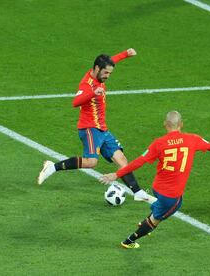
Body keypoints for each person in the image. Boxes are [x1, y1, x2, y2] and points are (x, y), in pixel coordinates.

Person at [100, 111, 210, 249]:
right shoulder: (193, 139)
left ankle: (148, 219)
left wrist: (117, 174)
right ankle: (129, 241)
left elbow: (139, 161)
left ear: (165, 124)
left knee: (160, 207)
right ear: (181, 124)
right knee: (158, 217)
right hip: (172, 196)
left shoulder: (158, 144)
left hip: (157, 188)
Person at [37, 48, 149, 201]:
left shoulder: (101, 70)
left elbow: (111, 61)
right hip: (89, 128)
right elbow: (75, 102)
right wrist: (92, 93)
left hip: (102, 128)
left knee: (121, 159)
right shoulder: (87, 84)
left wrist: (125, 54)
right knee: (91, 162)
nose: (108, 76)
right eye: (106, 73)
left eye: (110, 73)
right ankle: (51, 167)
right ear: (97, 69)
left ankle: (138, 193)